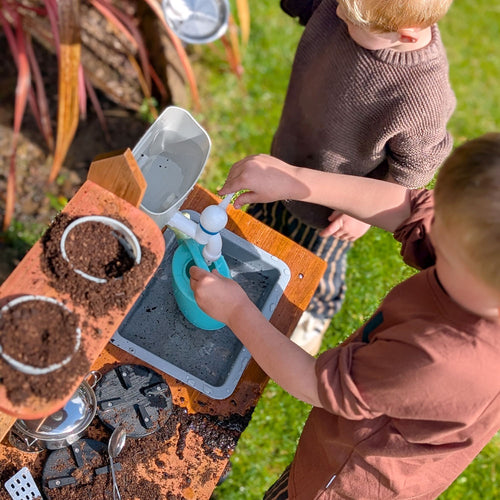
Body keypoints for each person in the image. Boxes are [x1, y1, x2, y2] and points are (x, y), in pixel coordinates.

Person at [189, 133, 500, 499]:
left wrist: (237, 311)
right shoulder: (479, 269)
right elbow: (410, 209)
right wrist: (295, 179)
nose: (429, 226)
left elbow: (314, 384)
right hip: (352, 436)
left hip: (344, 484)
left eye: (441, 232)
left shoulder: (442, 358)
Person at [247, 0, 456, 355]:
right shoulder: (348, 7)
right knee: (262, 228)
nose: (336, 12)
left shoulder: (423, 97)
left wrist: (362, 213)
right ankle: (252, 269)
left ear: (403, 35)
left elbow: (414, 170)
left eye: (348, 15)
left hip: (335, 208)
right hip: (290, 156)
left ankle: (315, 310)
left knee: (317, 266)